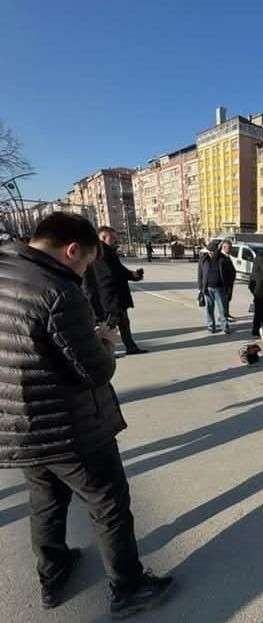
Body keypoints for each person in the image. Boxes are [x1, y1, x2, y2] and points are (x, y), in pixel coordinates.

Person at [0, 213, 174, 618]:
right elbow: (95, 370)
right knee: (108, 503)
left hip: (15, 424)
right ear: (72, 250)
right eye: (85, 263)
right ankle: (129, 587)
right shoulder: (58, 290)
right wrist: (104, 342)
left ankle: (53, 572)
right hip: (67, 427)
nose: (84, 273)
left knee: (44, 501)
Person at [84, 226, 147, 355]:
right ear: (102, 237)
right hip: (110, 294)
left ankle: (130, 346)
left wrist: (133, 275)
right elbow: (114, 271)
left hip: (113, 293)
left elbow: (117, 269)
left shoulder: (102, 250)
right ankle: (103, 351)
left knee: (123, 322)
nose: (115, 241)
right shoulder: (102, 251)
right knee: (110, 324)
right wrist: (132, 275)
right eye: (112, 238)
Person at [197, 240, 235, 334]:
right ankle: (211, 326)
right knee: (209, 309)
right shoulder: (204, 259)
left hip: (221, 288)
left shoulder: (224, 259)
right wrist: (200, 288)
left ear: (217, 251)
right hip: (208, 288)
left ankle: (225, 326)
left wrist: (229, 287)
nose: (211, 253)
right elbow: (200, 274)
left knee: (223, 309)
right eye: (209, 251)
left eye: (213, 251)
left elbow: (232, 273)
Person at [219, 239, 237, 322]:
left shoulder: (227, 256)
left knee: (227, 299)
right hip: (224, 284)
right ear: (224, 247)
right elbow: (221, 272)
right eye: (229, 248)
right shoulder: (221, 257)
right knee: (223, 301)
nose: (231, 249)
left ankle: (226, 314)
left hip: (229, 283)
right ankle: (223, 316)